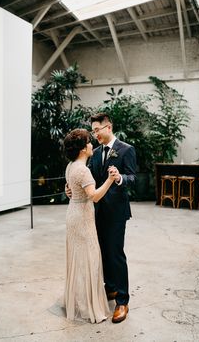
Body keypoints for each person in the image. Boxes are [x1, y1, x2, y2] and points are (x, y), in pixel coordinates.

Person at [63, 128, 119, 323]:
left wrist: (68, 189)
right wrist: (111, 180)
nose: (91, 144)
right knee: (89, 258)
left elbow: (69, 185)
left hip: (73, 213)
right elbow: (94, 196)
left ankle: (79, 300)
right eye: (88, 142)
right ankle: (88, 306)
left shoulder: (71, 166)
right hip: (83, 217)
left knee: (79, 258)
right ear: (82, 149)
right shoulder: (83, 169)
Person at [88, 112, 136, 323]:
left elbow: (133, 176)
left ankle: (123, 301)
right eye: (93, 131)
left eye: (97, 130)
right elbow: (90, 177)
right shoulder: (96, 153)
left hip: (117, 212)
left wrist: (120, 178)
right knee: (103, 252)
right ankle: (111, 287)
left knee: (116, 253)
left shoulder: (126, 149)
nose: (95, 134)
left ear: (108, 127)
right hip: (97, 212)